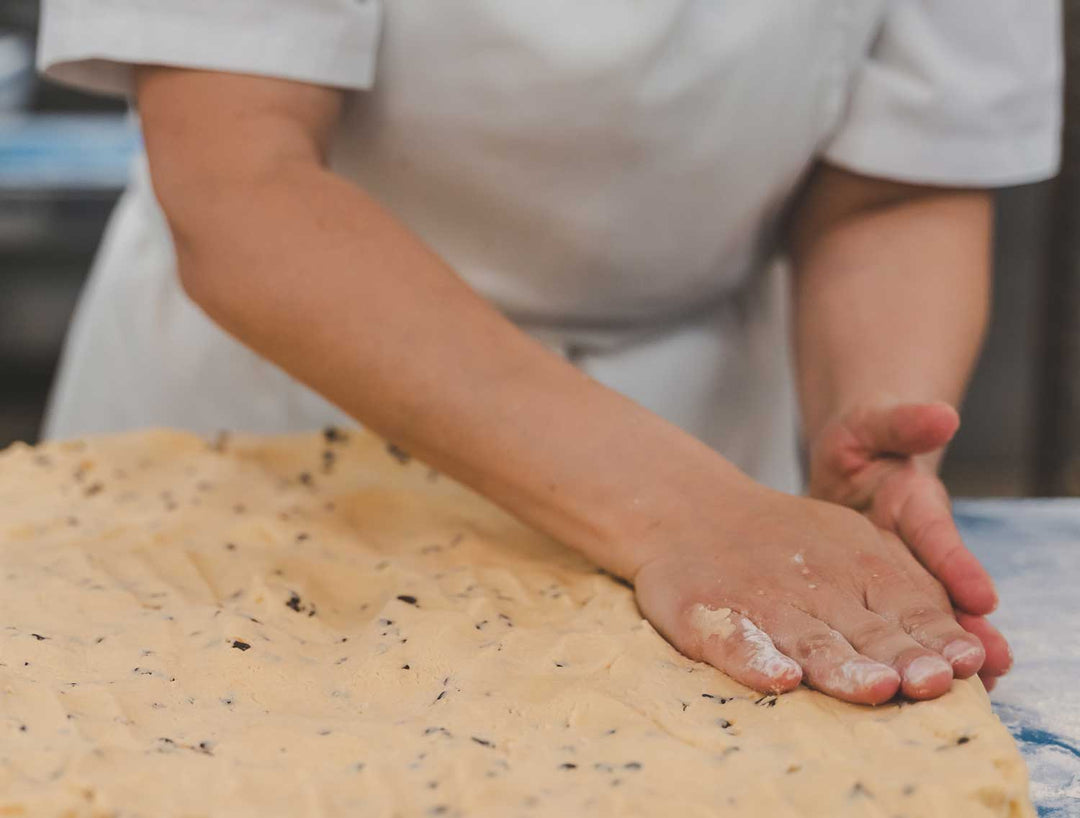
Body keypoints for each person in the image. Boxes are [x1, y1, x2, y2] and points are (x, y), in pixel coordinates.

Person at [36, 1, 1062, 704]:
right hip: (269, 435)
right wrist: (688, 512)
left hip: (712, 470)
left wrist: (874, 425)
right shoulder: (700, 516)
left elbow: (895, 187)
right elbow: (240, 181)